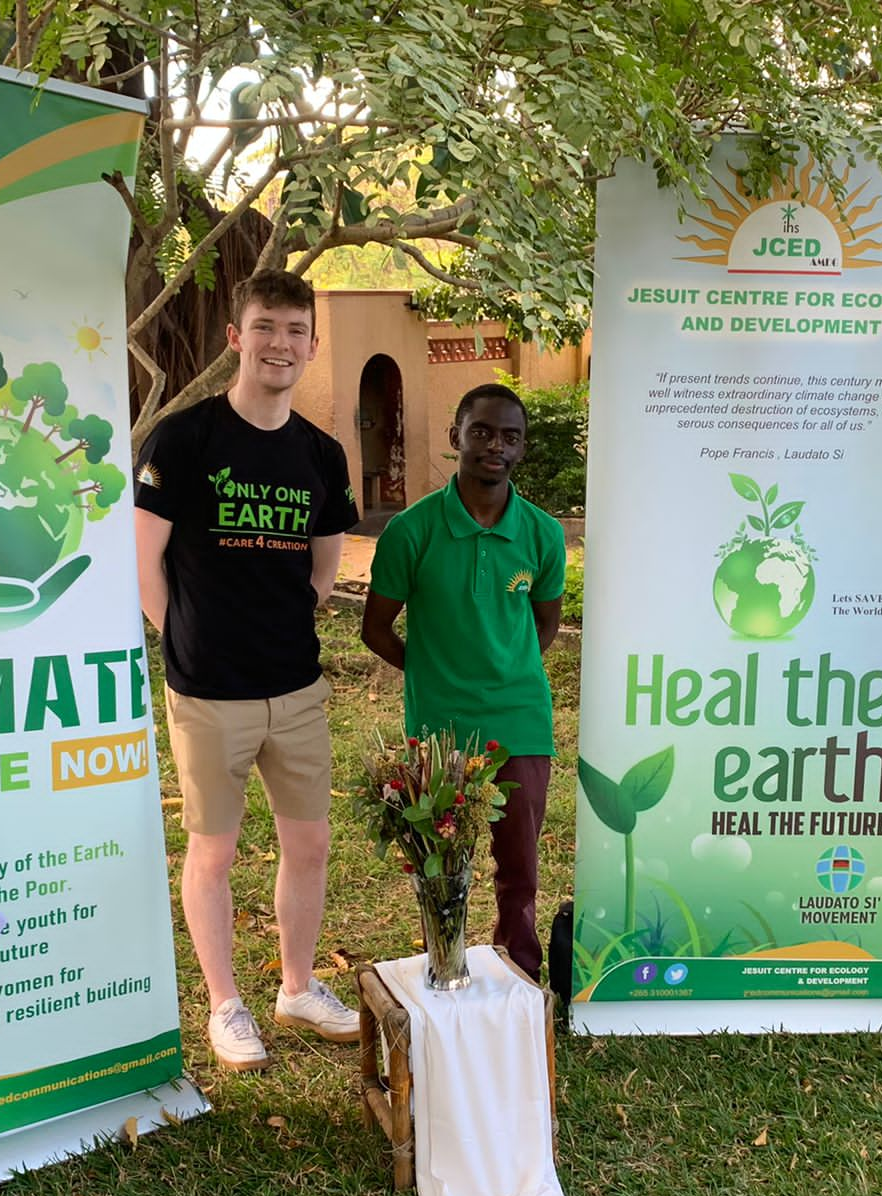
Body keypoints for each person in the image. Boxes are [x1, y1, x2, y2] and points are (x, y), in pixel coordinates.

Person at [134, 270, 361, 1071]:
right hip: (207, 692)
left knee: (310, 844)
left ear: (312, 345)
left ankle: (297, 988)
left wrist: (276, 629)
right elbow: (146, 568)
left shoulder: (320, 454)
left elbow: (324, 568)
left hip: (295, 689)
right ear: (237, 337)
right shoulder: (182, 440)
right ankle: (226, 1005)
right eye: (264, 326)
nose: (280, 344)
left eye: (295, 330)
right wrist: (193, 642)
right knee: (214, 853)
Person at [361, 384, 568, 978]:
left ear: (523, 448)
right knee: (441, 865)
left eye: (510, 436)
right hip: (440, 725)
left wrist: (503, 670)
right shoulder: (412, 530)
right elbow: (376, 628)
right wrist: (437, 670)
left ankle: (519, 975)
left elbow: (544, 624)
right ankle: (444, 971)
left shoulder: (542, 533)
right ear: (456, 438)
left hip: (520, 720)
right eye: (481, 432)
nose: (494, 447)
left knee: (519, 867)